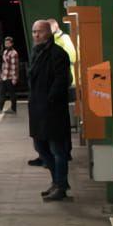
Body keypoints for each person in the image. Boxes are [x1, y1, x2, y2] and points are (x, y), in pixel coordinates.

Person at [29, 19, 73, 201]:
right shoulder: (37, 53)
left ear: (49, 33)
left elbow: (61, 81)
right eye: (34, 32)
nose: (36, 35)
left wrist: (50, 100)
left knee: (57, 149)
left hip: (52, 110)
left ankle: (61, 186)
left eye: (40, 31)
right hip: (39, 109)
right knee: (40, 146)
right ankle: (57, 181)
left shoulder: (57, 54)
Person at [0, 36, 19, 113]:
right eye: (5, 43)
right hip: (4, 76)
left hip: (10, 77)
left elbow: (14, 67)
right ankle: (0, 108)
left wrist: (14, 78)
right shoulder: (5, 52)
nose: (6, 44)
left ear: (11, 44)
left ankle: (13, 109)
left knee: (12, 93)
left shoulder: (14, 53)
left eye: (8, 43)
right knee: (2, 92)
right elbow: (4, 65)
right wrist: (1, 75)